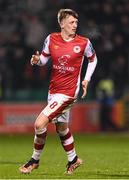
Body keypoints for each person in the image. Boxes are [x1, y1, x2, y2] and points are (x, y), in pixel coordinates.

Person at [19, 8, 97, 175]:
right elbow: (44, 60)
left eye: (76, 22)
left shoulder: (83, 43)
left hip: (69, 93)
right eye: (71, 22)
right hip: (54, 90)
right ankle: (73, 159)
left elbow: (93, 59)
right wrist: (37, 60)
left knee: (39, 124)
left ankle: (34, 160)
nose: (75, 25)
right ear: (61, 24)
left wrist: (86, 79)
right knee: (62, 128)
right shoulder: (51, 39)